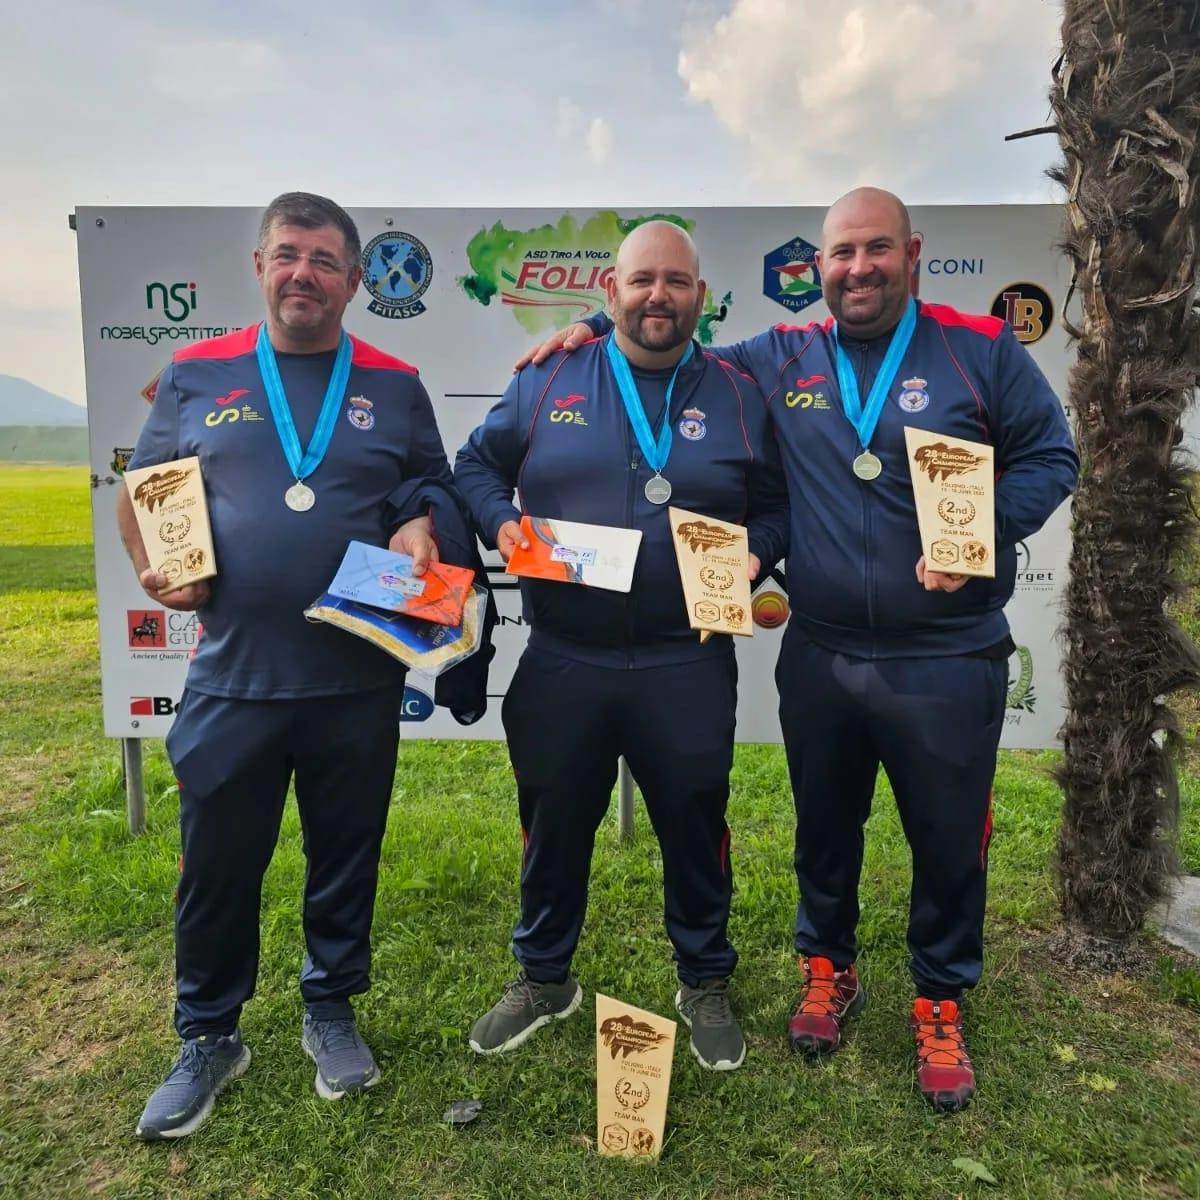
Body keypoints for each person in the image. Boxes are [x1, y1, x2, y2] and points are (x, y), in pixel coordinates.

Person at [521, 188, 1079, 1112]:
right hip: (821, 651)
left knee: (948, 839)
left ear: (913, 253)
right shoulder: (779, 357)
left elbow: (1051, 458)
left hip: (946, 651)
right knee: (825, 826)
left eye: (876, 250)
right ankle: (829, 967)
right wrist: (591, 321)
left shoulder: (980, 350)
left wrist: (977, 531)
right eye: (841, 254)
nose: (857, 268)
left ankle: (939, 996)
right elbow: (663, 338)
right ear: (818, 268)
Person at [118, 192, 470, 1140]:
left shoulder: (394, 381)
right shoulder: (196, 373)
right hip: (232, 677)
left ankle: (330, 1005)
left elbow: (426, 484)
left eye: (323, 259)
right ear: (260, 264)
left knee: (343, 857)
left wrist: (418, 520)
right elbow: (149, 489)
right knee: (218, 869)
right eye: (287, 255)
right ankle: (207, 1035)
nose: (302, 273)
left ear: (356, 280)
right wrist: (160, 570)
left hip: (356, 678)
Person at [454, 221, 789, 1071]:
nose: (658, 296)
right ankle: (543, 976)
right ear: (610, 292)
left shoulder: (742, 392)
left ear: (701, 298)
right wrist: (504, 526)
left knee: (694, 820)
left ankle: (704, 978)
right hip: (566, 653)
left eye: (677, 281)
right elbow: (474, 468)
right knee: (553, 820)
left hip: (688, 656)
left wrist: (759, 551)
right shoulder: (549, 375)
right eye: (642, 280)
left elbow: (780, 500)